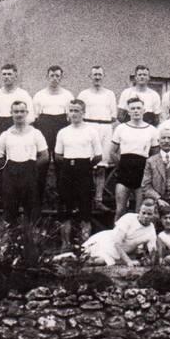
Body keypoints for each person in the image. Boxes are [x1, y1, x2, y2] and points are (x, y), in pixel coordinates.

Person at [54, 99, 103, 250]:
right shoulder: (63, 132)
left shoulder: (91, 131)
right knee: (65, 210)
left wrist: (85, 166)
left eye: (77, 110)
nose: (74, 113)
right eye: (71, 110)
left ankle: (85, 247)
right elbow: (57, 155)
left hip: (84, 170)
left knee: (85, 209)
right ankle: (65, 244)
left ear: (83, 112)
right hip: (67, 171)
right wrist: (70, 165)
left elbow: (98, 156)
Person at [0, 101, 49, 226]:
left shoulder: (36, 133)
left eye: (22, 111)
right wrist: (9, 169)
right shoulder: (5, 135)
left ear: (27, 113)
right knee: (10, 208)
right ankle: (11, 236)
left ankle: (30, 235)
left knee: (32, 209)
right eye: (16, 111)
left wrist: (31, 168)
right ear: (11, 113)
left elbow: (45, 156)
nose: (19, 114)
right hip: (11, 175)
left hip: (30, 174)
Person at [110, 97, 160, 222]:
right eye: (133, 108)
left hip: (142, 173)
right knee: (120, 210)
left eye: (138, 108)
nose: (136, 111)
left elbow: (155, 155)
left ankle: (139, 234)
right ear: (128, 111)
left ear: (144, 110)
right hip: (124, 172)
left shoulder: (152, 130)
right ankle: (117, 233)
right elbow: (112, 152)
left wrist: (149, 171)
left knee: (140, 211)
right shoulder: (121, 128)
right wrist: (121, 165)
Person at [77, 66, 117, 213]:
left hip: (105, 128)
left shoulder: (110, 94)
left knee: (101, 166)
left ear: (103, 76)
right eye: (95, 75)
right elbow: (79, 113)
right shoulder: (84, 94)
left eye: (100, 74)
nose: (97, 77)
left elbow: (113, 116)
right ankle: (85, 200)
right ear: (90, 76)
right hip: (88, 127)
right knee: (87, 164)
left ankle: (98, 200)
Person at [33, 65, 73, 203]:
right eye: (52, 76)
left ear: (61, 77)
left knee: (61, 163)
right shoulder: (39, 95)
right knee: (42, 162)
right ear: (47, 77)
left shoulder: (68, 95)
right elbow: (35, 117)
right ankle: (38, 198)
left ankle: (63, 199)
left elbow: (70, 117)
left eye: (57, 76)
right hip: (44, 128)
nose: (54, 78)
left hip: (61, 128)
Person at [82, 198, 157, 266]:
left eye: (149, 214)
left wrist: (150, 259)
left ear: (154, 215)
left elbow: (152, 251)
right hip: (105, 242)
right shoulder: (129, 218)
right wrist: (128, 261)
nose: (146, 216)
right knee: (89, 258)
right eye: (143, 213)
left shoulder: (151, 230)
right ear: (139, 211)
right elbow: (116, 243)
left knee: (100, 261)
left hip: (119, 253)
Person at [0, 63, 35, 145]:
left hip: (19, 129)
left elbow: (31, 117)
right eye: (4, 74)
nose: (6, 77)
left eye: (9, 74)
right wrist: (2, 123)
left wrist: (19, 125)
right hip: (1, 129)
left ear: (16, 76)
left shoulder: (23, 94)